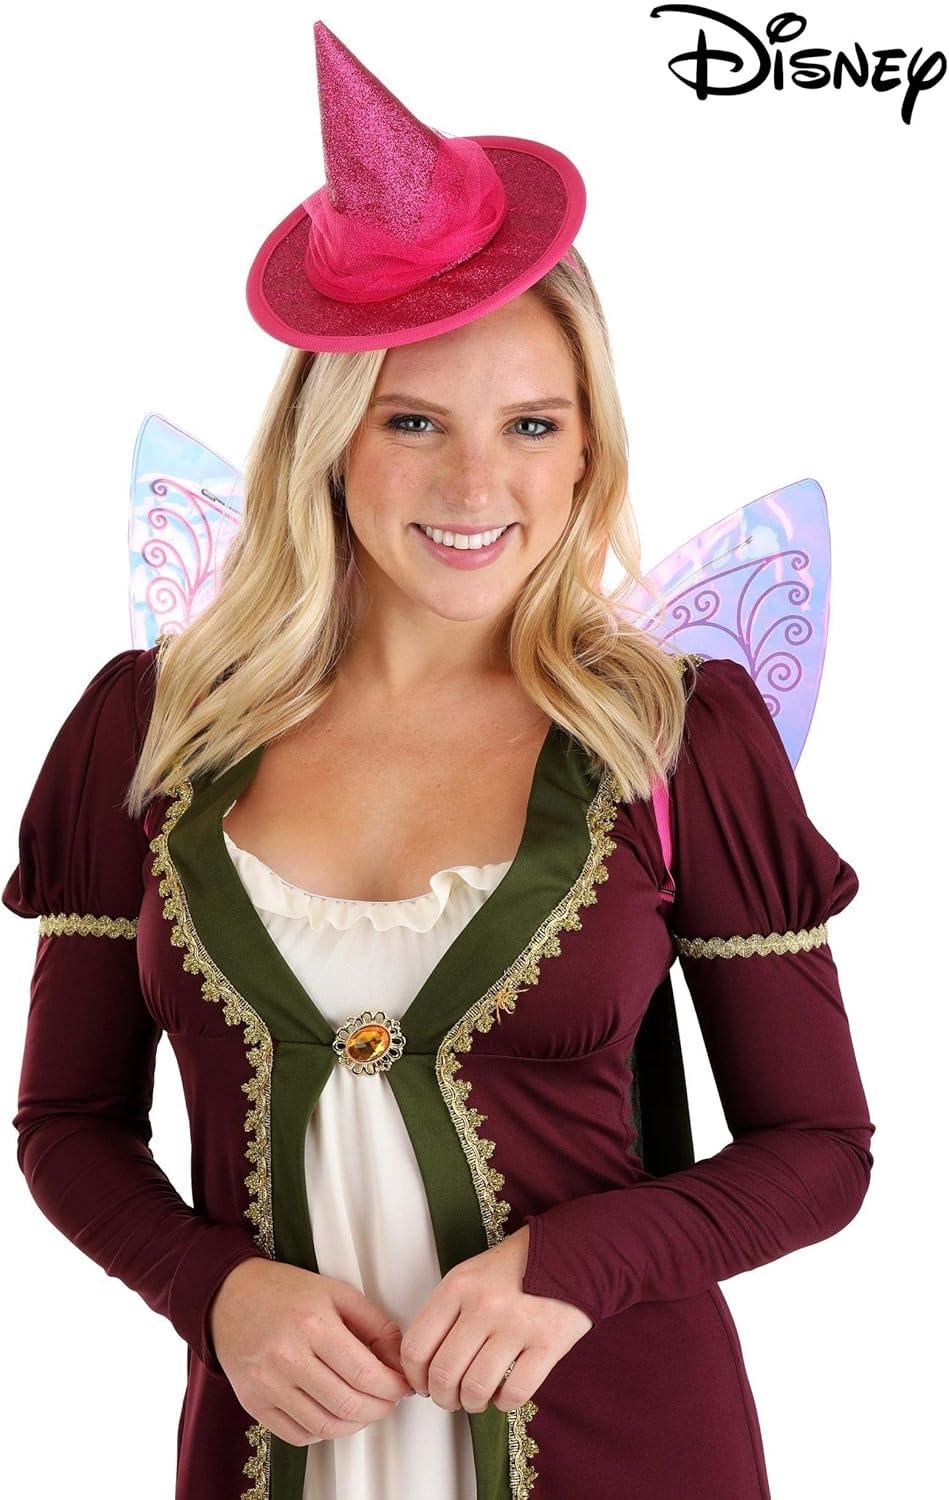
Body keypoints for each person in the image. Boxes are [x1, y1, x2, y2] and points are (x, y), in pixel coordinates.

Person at [3, 20, 874, 1500]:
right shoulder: (149, 729)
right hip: (273, 1457)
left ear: (588, 451)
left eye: (531, 425)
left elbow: (819, 1145)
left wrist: (582, 1262)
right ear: (330, 441)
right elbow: (68, 1124)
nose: (478, 484)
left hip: (625, 1449)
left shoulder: (676, 737)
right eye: (415, 422)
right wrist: (213, 1289)